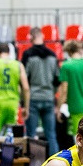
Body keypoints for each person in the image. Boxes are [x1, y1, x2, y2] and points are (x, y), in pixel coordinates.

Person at [22, 26, 60, 156]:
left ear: (31, 37)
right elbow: (57, 80)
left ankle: (32, 165)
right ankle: (55, 163)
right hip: (49, 98)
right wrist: (52, 93)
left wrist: (23, 102)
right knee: (51, 135)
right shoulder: (52, 55)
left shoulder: (27, 55)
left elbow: (24, 80)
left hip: (33, 98)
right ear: (42, 36)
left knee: (31, 135)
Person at [0, 43, 30, 134]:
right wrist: (26, 107)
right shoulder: (18, 65)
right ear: (9, 53)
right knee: (10, 135)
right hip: (13, 103)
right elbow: (26, 88)